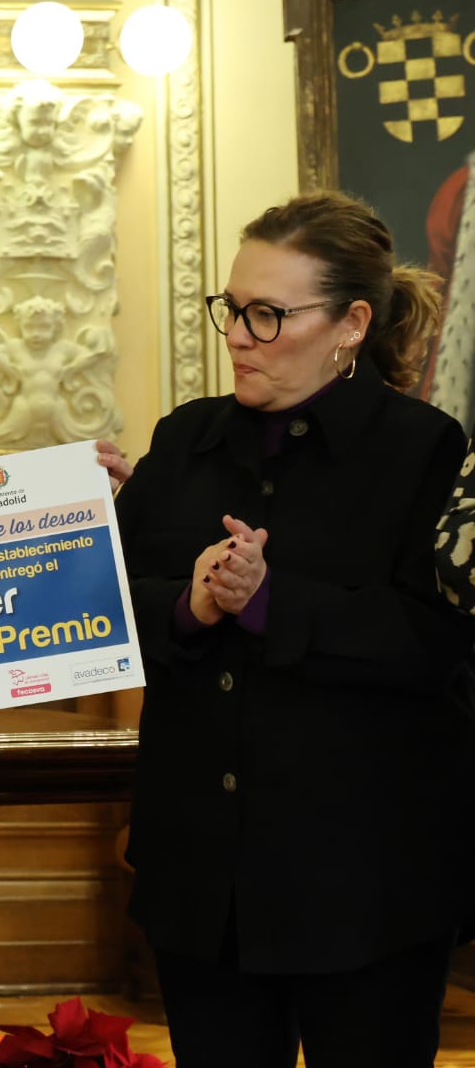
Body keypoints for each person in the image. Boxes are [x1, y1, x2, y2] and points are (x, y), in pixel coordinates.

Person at [115, 190, 475, 1068]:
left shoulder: (426, 448)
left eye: (269, 315)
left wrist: (272, 601)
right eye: (233, 308)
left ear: (351, 323)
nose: (238, 336)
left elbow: (435, 645)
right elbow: (116, 606)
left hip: (366, 878)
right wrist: (191, 602)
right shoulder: (184, 438)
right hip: (202, 875)